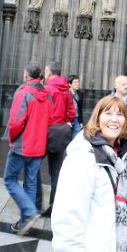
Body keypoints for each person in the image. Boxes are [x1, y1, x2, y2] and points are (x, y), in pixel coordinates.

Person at [52, 95, 127, 252]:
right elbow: (68, 219)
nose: (114, 119)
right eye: (108, 113)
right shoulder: (82, 158)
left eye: (120, 114)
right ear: (97, 118)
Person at [3, 61, 53, 235]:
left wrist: (12, 139)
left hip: (22, 144)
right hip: (39, 145)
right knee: (30, 182)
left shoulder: (23, 93)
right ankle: (26, 221)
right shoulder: (47, 95)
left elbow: (16, 122)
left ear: (25, 76)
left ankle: (29, 212)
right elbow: (49, 120)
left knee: (9, 179)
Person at [37, 61, 76, 217]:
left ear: (48, 72)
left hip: (46, 133)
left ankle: (35, 204)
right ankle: (54, 206)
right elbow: (71, 114)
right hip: (60, 134)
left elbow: (40, 112)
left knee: (32, 166)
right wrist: (62, 120)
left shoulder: (45, 89)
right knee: (56, 173)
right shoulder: (67, 91)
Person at [68, 75, 84, 139]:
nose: (77, 84)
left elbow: (80, 108)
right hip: (68, 119)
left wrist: (81, 122)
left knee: (77, 138)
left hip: (76, 119)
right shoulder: (66, 93)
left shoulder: (80, 93)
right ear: (70, 84)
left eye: (78, 82)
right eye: (75, 82)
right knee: (67, 137)